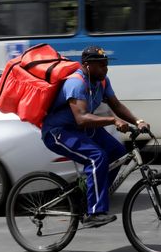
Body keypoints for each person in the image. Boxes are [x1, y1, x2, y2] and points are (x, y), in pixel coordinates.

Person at [42, 46, 150, 228]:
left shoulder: (102, 81)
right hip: (59, 132)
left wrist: (138, 121)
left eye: (106, 64)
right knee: (97, 157)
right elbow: (81, 118)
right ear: (87, 65)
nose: (105, 68)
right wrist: (112, 121)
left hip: (80, 129)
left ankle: (92, 194)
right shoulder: (76, 83)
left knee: (117, 151)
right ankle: (93, 213)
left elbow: (116, 105)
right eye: (101, 65)